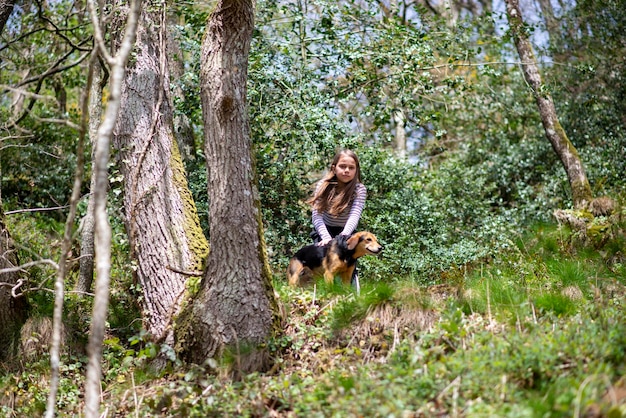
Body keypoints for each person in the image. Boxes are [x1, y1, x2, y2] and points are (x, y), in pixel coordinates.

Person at [307, 149, 366, 289]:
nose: (347, 170)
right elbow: (317, 215)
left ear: (356, 170)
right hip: (324, 230)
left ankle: (350, 294)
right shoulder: (324, 185)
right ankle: (321, 294)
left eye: (351, 168)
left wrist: (343, 237)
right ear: (334, 168)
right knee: (324, 264)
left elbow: (354, 215)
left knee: (346, 264)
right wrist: (326, 238)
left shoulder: (359, 189)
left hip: (346, 231)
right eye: (342, 166)